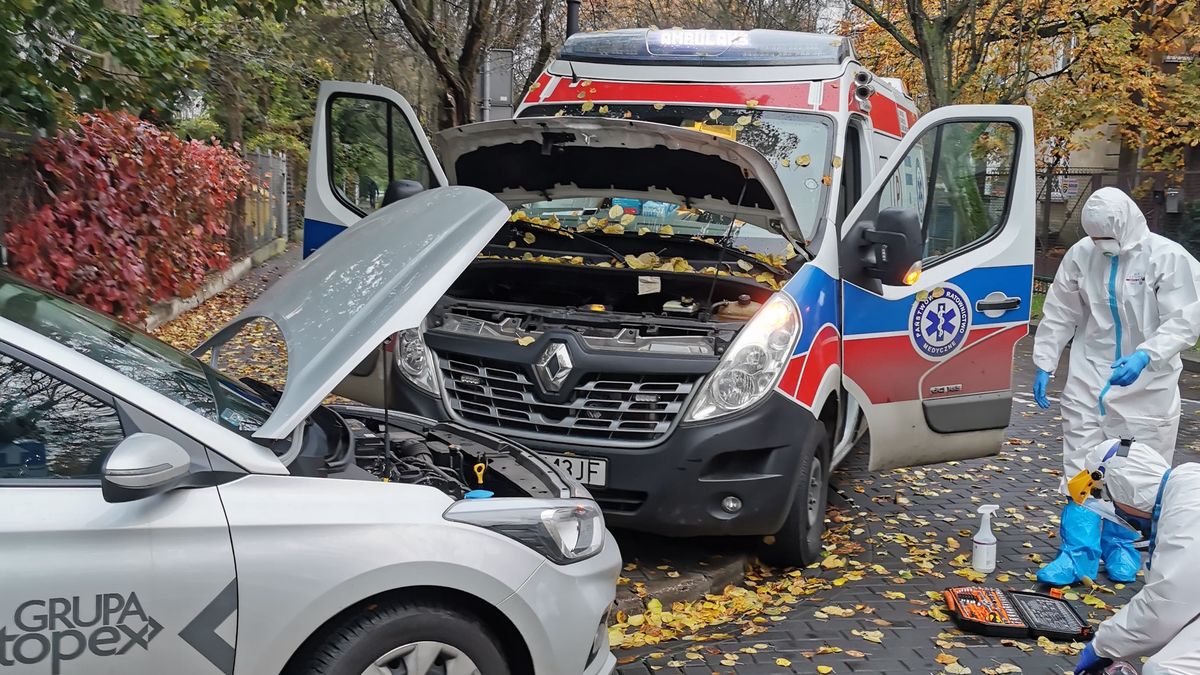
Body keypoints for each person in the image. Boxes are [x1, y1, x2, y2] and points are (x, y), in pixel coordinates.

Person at [1032, 187, 1200, 586]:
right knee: (1080, 465)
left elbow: (1185, 319)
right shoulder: (1081, 256)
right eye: (1094, 238)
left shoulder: (1167, 258)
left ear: (1128, 226)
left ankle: (1122, 546)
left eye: (1106, 237)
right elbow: (1059, 311)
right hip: (1091, 375)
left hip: (1148, 386)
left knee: (1138, 471)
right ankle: (1077, 555)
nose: (1100, 245)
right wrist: (1045, 359)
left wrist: (1147, 354)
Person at [1070, 439, 1200, 675]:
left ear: (1124, 488)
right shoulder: (1184, 488)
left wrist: (1101, 647)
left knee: (1168, 669)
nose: (1116, 510)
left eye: (1109, 499)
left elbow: (1165, 606)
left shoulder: (1187, 512)